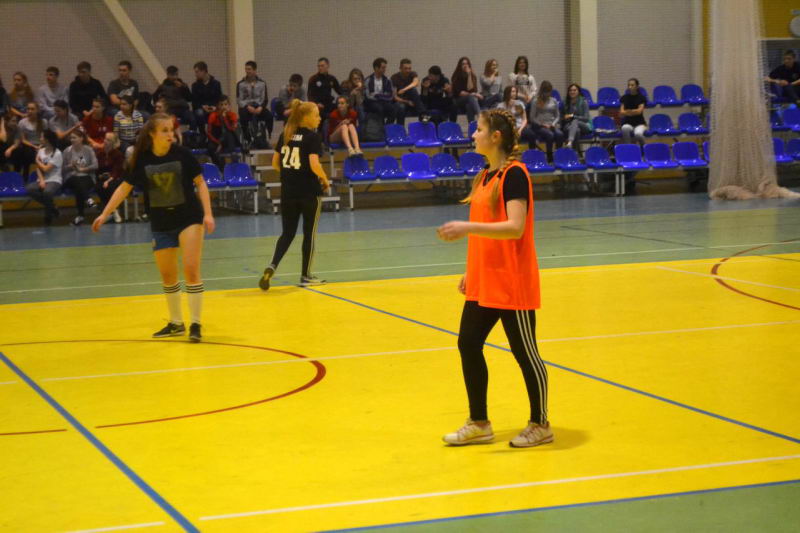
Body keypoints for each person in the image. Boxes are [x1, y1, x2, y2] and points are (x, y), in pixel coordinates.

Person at [436, 108, 550, 448]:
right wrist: (470, 270)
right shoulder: (485, 176)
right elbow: (488, 229)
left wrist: (466, 227)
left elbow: (515, 227)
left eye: (479, 129)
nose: (473, 135)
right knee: (468, 343)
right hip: (485, 279)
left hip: (512, 280)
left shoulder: (514, 175)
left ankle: (540, 423)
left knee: (525, 353)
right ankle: (479, 422)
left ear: (495, 136)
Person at [92, 113, 215, 342]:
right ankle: (176, 323)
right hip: (160, 222)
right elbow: (124, 188)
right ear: (152, 134)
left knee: (191, 269)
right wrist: (105, 213)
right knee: (168, 275)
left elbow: (201, 183)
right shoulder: (142, 160)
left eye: (171, 129)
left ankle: (196, 324)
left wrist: (208, 214)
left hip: (188, 218)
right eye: (164, 130)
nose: (170, 134)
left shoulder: (183, 154)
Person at [259, 99, 330, 291]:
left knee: (287, 233)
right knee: (309, 234)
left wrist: (290, 174)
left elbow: (275, 163)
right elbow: (314, 164)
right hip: (309, 192)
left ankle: (272, 265)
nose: (319, 118)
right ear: (305, 118)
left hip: (288, 192)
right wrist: (325, 179)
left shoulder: (286, 134)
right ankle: (306, 275)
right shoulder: (313, 137)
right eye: (316, 115)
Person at [25, 129, 63, 225]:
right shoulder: (41, 151)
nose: (40, 139)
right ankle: (53, 207)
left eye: (42, 137)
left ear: (47, 139)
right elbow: (38, 168)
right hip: (42, 179)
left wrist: (37, 160)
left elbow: (46, 169)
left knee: (47, 192)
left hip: (54, 179)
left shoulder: (57, 153)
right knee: (29, 189)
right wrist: (41, 180)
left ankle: (48, 217)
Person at [62, 128, 98, 225]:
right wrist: (70, 166)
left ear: (81, 138)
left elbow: (95, 165)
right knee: (76, 179)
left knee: (79, 188)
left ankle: (80, 216)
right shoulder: (67, 151)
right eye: (71, 138)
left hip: (86, 177)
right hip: (71, 178)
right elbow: (62, 169)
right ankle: (88, 199)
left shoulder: (88, 150)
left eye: (74, 138)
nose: (72, 140)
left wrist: (83, 170)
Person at [236, 60, 272, 148]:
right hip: (246, 107)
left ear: (255, 70)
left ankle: (267, 136)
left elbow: (265, 99)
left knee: (269, 116)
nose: (247, 71)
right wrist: (247, 106)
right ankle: (248, 138)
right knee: (243, 117)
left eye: (249, 69)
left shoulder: (262, 83)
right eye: (246, 69)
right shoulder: (240, 84)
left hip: (258, 106)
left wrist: (261, 107)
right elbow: (239, 100)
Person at [6, 101, 46, 175]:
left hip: (41, 145)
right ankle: (23, 174)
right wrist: (34, 146)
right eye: (28, 109)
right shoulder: (22, 122)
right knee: (25, 151)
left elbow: (45, 137)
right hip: (28, 145)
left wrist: (40, 146)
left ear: (37, 110)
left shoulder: (43, 122)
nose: (30, 111)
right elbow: (23, 139)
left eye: (32, 109)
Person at [529, 80, 563, 161]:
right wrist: (542, 125)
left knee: (560, 134)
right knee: (550, 135)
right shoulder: (536, 101)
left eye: (549, 92)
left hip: (552, 125)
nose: (547, 94)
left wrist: (554, 123)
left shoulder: (554, 101)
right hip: (540, 126)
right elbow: (532, 117)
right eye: (546, 92)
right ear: (542, 91)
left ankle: (558, 155)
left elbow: (557, 115)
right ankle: (549, 156)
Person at [95, 132, 125, 223]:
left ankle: (113, 210)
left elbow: (117, 170)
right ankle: (111, 212)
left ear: (113, 142)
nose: (105, 141)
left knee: (110, 186)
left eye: (108, 140)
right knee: (98, 187)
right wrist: (100, 176)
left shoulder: (118, 154)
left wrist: (108, 180)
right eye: (105, 139)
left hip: (116, 178)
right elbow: (98, 169)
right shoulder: (100, 153)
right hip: (103, 178)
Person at [206, 95, 242, 168]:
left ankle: (234, 159)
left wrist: (224, 118)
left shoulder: (233, 115)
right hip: (217, 138)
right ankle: (220, 167)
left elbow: (232, 130)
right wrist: (219, 143)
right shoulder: (213, 116)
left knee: (229, 134)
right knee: (210, 147)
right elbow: (209, 132)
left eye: (225, 104)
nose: (223, 107)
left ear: (229, 105)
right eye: (221, 105)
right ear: (218, 106)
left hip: (228, 139)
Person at [364, 57, 399, 125]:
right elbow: (368, 96)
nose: (385, 69)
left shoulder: (387, 80)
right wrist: (382, 96)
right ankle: (381, 128)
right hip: (372, 103)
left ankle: (387, 126)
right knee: (379, 108)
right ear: (376, 68)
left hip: (384, 102)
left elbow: (390, 95)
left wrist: (377, 95)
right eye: (383, 67)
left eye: (385, 67)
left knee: (394, 109)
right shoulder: (368, 80)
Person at [391, 58, 426, 123]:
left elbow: (415, 83)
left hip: (413, 101)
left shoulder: (412, 74)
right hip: (401, 101)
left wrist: (404, 89)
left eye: (409, 68)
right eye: (405, 68)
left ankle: (424, 118)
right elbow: (395, 97)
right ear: (400, 68)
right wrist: (407, 102)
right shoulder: (394, 77)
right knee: (401, 107)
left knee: (413, 90)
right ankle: (401, 127)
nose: (408, 70)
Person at [191, 61, 223, 131]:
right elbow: (194, 102)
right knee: (199, 113)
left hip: (213, 107)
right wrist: (203, 107)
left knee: (221, 113)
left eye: (197, 72)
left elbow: (219, 99)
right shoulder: (195, 85)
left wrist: (214, 107)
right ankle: (202, 133)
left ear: (203, 71)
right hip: (201, 108)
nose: (195, 74)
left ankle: (216, 133)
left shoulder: (216, 84)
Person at [450, 57, 482, 123]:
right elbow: (460, 93)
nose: (465, 66)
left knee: (469, 106)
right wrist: (473, 94)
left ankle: (471, 125)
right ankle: (480, 116)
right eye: (463, 64)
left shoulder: (472, 76)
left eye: (467, 64)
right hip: (458, 100)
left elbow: (473, 90)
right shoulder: (456, 76)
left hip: (468, 101)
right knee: (471, 97)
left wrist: (469, 75)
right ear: (460, 66)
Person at [562, 83, 591, 149]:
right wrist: (566, 118)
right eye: (570, 90)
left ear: (578, 92)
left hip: (584, 125)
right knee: (577, 131)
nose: (572, 92)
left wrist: (573, 116)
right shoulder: (565, 102)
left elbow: (586, 118)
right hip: (569, 125)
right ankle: (575, 151)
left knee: (575, 121)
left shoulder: (583, 102)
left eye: (574, 90)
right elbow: (563, 116)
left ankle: (570, 142)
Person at [619, 78, 647, 144]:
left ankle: (644, 147)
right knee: (624, 128)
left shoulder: (641, 98)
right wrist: (634, 111)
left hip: (640, 123)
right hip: (628, 123)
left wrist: (628, 111)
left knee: (638, 134)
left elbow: (639, 112)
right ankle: (629, 147)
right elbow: (621, 112)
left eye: (632, 85)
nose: (630, 87)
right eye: (629, 85)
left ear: (637, 86)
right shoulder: (624, 98)